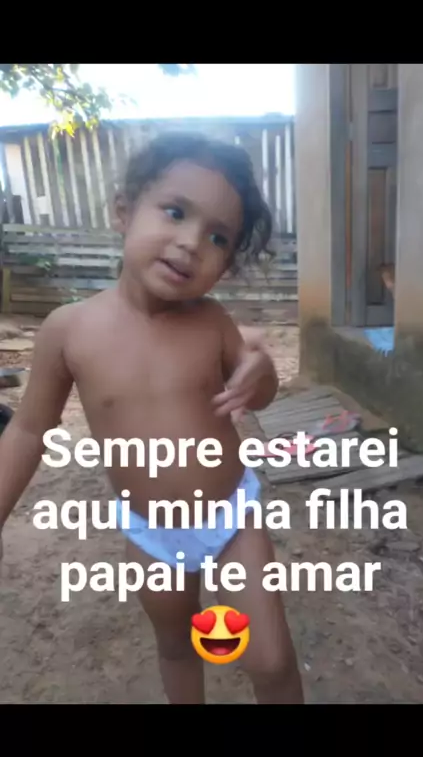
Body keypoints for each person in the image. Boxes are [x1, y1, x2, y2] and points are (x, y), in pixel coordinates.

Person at [0, 132, 304, 705]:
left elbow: (259, 395)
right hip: (151, 531)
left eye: (218, 237)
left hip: (231, 518)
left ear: (226, 263)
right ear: (123, 211)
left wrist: (259, 372)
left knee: (270, 658)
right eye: (175, 212)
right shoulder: (68, 329)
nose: (191, 242)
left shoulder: (212, 321)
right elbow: (28, 429)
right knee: (177, 645)